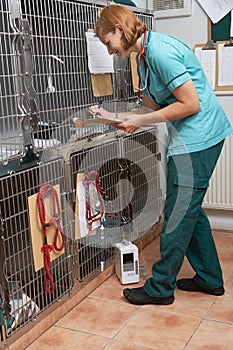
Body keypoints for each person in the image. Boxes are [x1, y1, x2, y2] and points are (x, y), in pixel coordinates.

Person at [89, 4, 233, 305]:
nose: (109, 50)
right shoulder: (143, 58)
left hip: (200, 138)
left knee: (178, 214)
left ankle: (160, 288)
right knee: (189, 210)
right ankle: (210, 278)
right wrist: (113, 116)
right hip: (191, 138)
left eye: (107, 42)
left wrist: (138, 121)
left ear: (119, 29)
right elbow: (151, 109)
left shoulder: (160, 53)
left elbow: (190, 104)